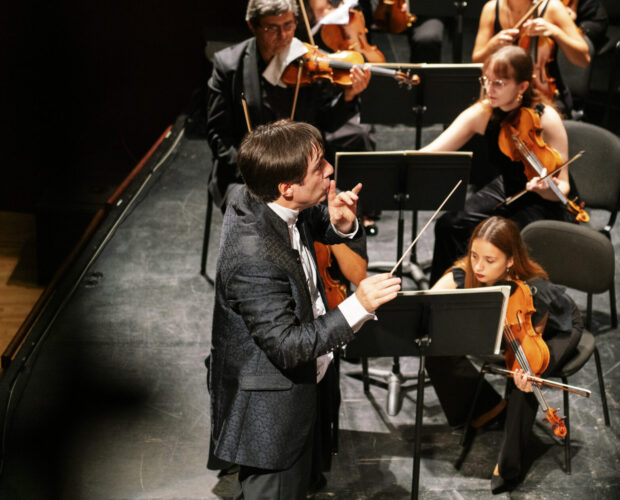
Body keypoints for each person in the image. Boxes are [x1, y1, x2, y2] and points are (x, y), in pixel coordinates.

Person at [207, 120, 401, 499]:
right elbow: (287, 344)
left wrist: (341, 224)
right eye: (318, 168)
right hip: (273, 415)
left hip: (308, 386)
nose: (330, 171)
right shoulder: (253, 257)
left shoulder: (254, 196)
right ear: (287, 187)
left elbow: (308, 218)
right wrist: (356, 306)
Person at [427, 216, 583, 493]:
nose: (478, 266)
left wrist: (525, 372)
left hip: (554, 328)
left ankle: (509, 465)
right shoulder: (471, 271)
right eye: (474, 255)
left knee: (526, 379)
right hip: (509, 332)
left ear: (510, 260)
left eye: (489, 260)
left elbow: (533, 338)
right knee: (435, 346)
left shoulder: (535, 289)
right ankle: (487, 409)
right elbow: (432, 298)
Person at [422, 45, 577, 285]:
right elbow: (434, 150)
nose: (488, 89)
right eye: (486, 80)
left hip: (545, 201)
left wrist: (546, 187)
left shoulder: (546, 119)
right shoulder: (484, 112)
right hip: (509, 187)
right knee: (449, 225)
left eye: (499, 84)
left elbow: (563, 187)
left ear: (522, 87)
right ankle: (441, 298)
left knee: (502, 242)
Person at [206, 0, 372, 213]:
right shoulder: (228, 66)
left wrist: (348, 96)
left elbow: (326, 122)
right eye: (271, 28)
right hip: (244, 177)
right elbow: (219, 137)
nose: (283, 35)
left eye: (288, 25)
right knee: (265, 218)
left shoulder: (306, 62)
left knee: (342, 214)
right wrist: (254, 174)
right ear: (252, 25)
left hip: (299, 176)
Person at [472, 0, 590, 117]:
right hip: (503, 98)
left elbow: (583, 60)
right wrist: (491, 46)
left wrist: (555, 32)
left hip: (545, 97)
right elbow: (476, 62)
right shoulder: (491, 9)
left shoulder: (552, 7)